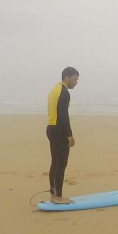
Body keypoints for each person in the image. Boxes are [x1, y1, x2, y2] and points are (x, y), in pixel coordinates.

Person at [45, 67, 79, 204]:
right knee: (61, 163)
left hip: (51, 128)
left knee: (55, 162)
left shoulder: (56, 89)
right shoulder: (64, 92)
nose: (76, 82)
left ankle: (54, 194)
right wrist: (69, 135)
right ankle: (58, 196)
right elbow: (63, 115)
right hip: (59, 131)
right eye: (75, 79)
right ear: (67, 77)